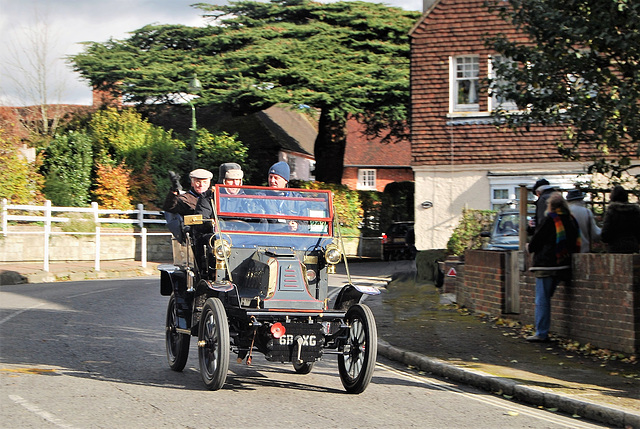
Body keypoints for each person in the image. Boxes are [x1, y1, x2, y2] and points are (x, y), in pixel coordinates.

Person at [526, 192, 581, 342]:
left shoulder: (550, 219)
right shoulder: (571, 220)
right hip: (563, 264)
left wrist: (529, 247)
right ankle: (542, 331)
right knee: (547, 297)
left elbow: (538, 240)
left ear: (550, 206)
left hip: (546, 265)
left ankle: (541, 333)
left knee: (542, 299)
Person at [162, 168, 213, 242]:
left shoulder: (214, 197)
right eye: (198, 182)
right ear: (192, 183)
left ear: (209, 183)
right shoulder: (184, 199)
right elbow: (169, 207)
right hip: (195, 235)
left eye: (205, 182)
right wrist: (174, 191)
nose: (201, 185)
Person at [194, 163, 245, 233]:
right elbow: (202, 219)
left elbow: (254, 217)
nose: (235, 183)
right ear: (223, 181)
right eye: (230, 180)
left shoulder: (246, 198)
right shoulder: (209, 197)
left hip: (242, 236)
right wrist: (213, 225)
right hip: (216, 236)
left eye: (238, 180)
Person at [600, 185, 640, 254]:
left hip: (615, 247)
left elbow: (605, 233)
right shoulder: (635, 211)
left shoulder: (612, 211)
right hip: (632, 246)